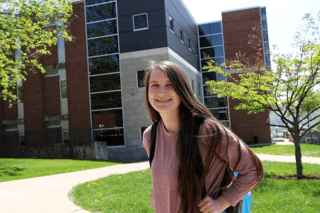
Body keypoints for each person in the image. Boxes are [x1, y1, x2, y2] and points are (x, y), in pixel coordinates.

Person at [142, 61, 264, 213]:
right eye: (154, 85)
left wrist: (222, 202)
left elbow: (252, 170)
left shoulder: (207, 131)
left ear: (182, 90)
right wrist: (160, 195)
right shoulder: (150, 136)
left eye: (170, 84)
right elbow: (167, 178)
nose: (161, 91)